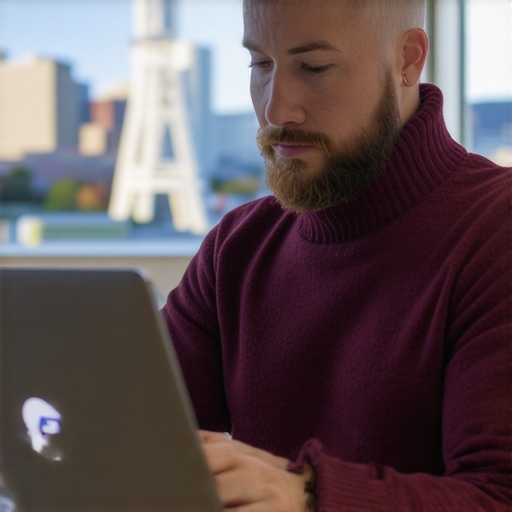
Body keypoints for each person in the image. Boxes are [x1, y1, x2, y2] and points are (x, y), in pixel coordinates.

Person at [162, 0, 512, 509]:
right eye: (261, 65)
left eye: (315, 67)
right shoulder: (236, 247)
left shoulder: (497, 231)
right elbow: (136, 433)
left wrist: (304, 496)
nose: (276, 109)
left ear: (408, 61)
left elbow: (500, 496)